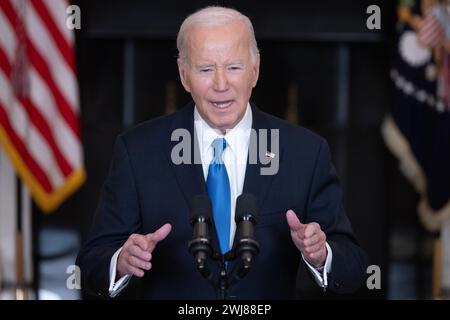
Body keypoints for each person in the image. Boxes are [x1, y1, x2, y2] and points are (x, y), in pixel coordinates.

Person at [76, 6, 368, 299]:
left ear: (254, 71)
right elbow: (91, 265)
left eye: (233, 67)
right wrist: (121, 262)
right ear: (184, 75)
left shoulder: (304, 151)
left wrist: (321, 254)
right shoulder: (138, 150)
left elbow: (353, 268)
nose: (220, 84)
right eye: (205, 69)